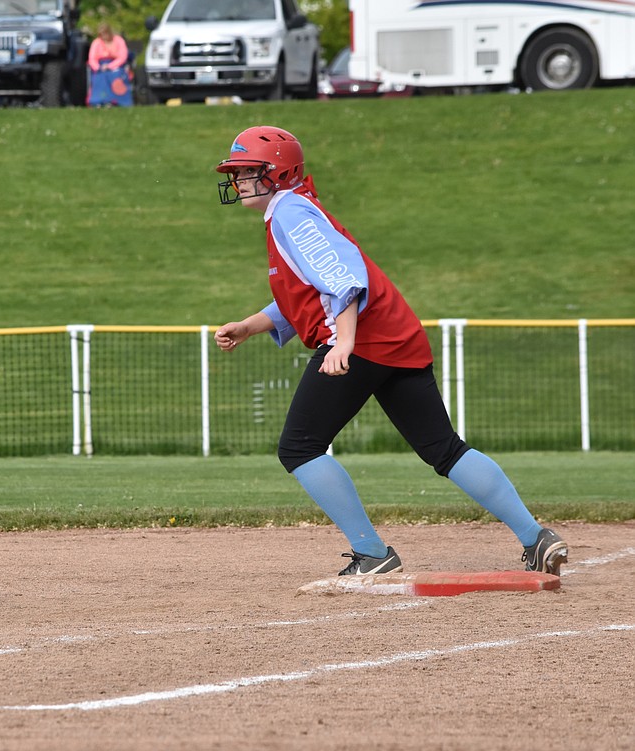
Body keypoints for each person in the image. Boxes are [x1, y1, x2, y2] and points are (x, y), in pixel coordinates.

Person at [211, 126, 569, 577]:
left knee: (299, 448)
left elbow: (343, 277)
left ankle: (373, 553)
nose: (238, 180)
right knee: (444, 448)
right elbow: (308, 289)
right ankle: (535, 537)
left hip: (363, 340)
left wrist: (343, 342)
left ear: (277, 173)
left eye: (247, 171)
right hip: (395, 335)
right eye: (236, 172)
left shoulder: (289, 212)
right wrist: (251, 325)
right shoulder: (295, 210)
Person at [86, 22, 132, 107]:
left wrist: (110, 66)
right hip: (100, 67)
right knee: (100, 77)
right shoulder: (96, 43)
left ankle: (117, 101)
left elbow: (122, 57)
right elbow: (92, 59)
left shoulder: (118, 40)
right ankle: (99, 100)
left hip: (117, 66)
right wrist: (98, 67)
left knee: (115, 76)